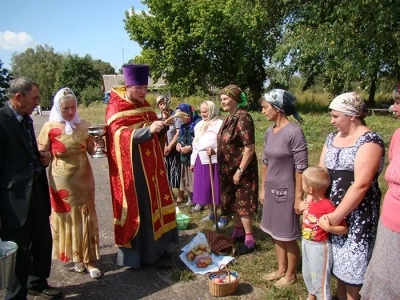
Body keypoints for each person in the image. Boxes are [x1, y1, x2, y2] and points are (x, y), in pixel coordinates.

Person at [105, 64, 179, 268]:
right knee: (142, 209)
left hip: (153, 169)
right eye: (138, 88)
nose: (143, 92)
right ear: (127, 86)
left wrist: (163, 127)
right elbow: (118, 136)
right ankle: (141, 255)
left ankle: (159, 249)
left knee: (157, 204)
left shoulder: (145, 105)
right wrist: (147, 131)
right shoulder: (116, 107)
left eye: (145, 88)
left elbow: (154, 128)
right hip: (134, 171)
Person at [317, 92, 384, 300]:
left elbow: (361, 184)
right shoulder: (332, 137)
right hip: (331, 211)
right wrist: (316, 201)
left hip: (357, 215)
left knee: (354, 266)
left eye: (336, 116)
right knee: (337, 263)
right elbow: (321, 171)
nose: (332, 121)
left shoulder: (370, 141)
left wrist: (337, 216)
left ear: (352, 115)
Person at [0, 78, 62, 299]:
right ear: (18, 97)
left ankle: (37, 282)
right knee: (19, 249)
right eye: (35, 98)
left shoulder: (25, 119)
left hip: (36, 189)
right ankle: (16, 295)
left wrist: (41, 159)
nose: (38, 103)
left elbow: (25, 153)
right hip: (13, 199)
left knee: (41, 240)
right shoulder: (2, 121)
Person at [37, 87, 102, 279]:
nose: (70, 111)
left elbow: (92, 151)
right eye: (66, 108)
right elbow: (42, 155)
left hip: (85, 179)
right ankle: (77, 258)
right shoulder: (49, 127)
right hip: (61, 181)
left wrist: (98, 145)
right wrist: (44, 157)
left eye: (73, 107)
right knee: (70, 218)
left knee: (87, 215)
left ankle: (90, 260)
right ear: (58, 107)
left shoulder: (85, 125)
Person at [259, 89, 308, 288]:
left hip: (287, 192)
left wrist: (298, 197)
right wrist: (263, 188)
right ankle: (280, 269)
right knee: (275, 232)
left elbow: (301, 167)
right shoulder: (269, 132)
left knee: (287, 234)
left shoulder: (294, 132)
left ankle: (291, 274)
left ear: (278, 108)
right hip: (271, 190)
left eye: (265, 107)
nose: (262, 111)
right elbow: (265, 161)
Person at [360, 83, 400, 300]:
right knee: (383, 285)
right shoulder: (397, 135)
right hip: (389, 225)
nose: (393, 108)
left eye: (398, 102)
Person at [217, 84, 258, 254]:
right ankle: (238, 231)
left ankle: (249, 239)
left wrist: (240, 171)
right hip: (228, 170)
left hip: (242, 170)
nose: (223, 102)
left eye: (225, 98)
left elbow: (249, 147)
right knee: (233, 201)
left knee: (243, 202)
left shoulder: (243, 118)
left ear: (234, 99)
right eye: (221, 99)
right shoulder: (228, 118)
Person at [300, 166, 348, 300]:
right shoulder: (311, 203)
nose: (301, 184)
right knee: (308, 274)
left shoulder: (327, 205)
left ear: (311, 189)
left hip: (319, 248)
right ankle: (311, 296)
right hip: (306, 243)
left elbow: (344, 228)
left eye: (303, 183)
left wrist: (328, 228)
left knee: (320, 279)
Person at [190, 101, 223, 221]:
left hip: (215, 160)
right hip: (202, 160)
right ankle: (212, 213)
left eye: (205, 111)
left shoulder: (219, 123)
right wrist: (193, 161)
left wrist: (215, 150)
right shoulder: (199, 125)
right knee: (207, 189)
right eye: (202, 112)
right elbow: (196, 145)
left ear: (212, 110)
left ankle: (223, 216)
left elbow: (225, 144)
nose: (203, 114)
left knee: (217, 189)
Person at [156, 95, 184, 204]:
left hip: (173, 147)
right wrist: (163, 147)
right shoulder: (157, 117)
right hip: (162, 149)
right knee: (166, 172)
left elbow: (178, 133)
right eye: (160, 103)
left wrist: (169, 147)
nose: (163, 105)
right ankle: (170, 195)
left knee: (176, 171)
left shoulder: (175, 116)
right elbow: (157, 134)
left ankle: (180, 195)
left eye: (165, 102)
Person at [175, 103, 201, 210]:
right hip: (184, 157)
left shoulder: (197, 123)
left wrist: (190, 147)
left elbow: (200, 139)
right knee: (186, 178)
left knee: (195, 179)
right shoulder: (183, 126)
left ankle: (199, 202)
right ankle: (190, 200)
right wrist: (178, 144)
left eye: (182, 117)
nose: (181, 120)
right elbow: (180, 138)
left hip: (194, 157)